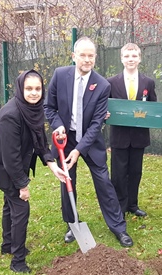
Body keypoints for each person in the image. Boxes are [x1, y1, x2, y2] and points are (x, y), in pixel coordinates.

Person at [44, 36, 133, 248]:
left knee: (104, 183)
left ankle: (119, 228)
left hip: (90, 141)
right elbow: (49, 107)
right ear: (74, 56)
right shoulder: (60, 75)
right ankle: (72, 224)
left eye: (90, 56)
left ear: (95, 58)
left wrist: (80, 149)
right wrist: (58, 126)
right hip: (65, 138)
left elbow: (96, 123)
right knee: (67, 181)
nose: (86, 59)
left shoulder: (102, 85)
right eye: (82, 55)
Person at [0, 69, 67, 273]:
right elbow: (10, 157)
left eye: (38, 88)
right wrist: (22, 185)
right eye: (29, 88)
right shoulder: (10, 115)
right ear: (20, 88)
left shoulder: (34, 109)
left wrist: (52, 165)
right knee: (21, 209)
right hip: (5, 169)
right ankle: (18, 262)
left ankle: (8, 246)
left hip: (13, 166)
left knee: (10, 206)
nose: (34, 93)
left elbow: (39, 140)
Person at [107, 43, 157, 217]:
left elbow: (152, 108)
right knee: (119, 173)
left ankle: (132, 205)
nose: (130, 59)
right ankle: (119, 207)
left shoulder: (148, 83)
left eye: (134, 56)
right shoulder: (111, 82)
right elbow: (105, 107)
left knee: (135, 172)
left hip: (139, 137)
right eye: (127, 56)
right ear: (121, 58)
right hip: (119, 136)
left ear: (139, 58)